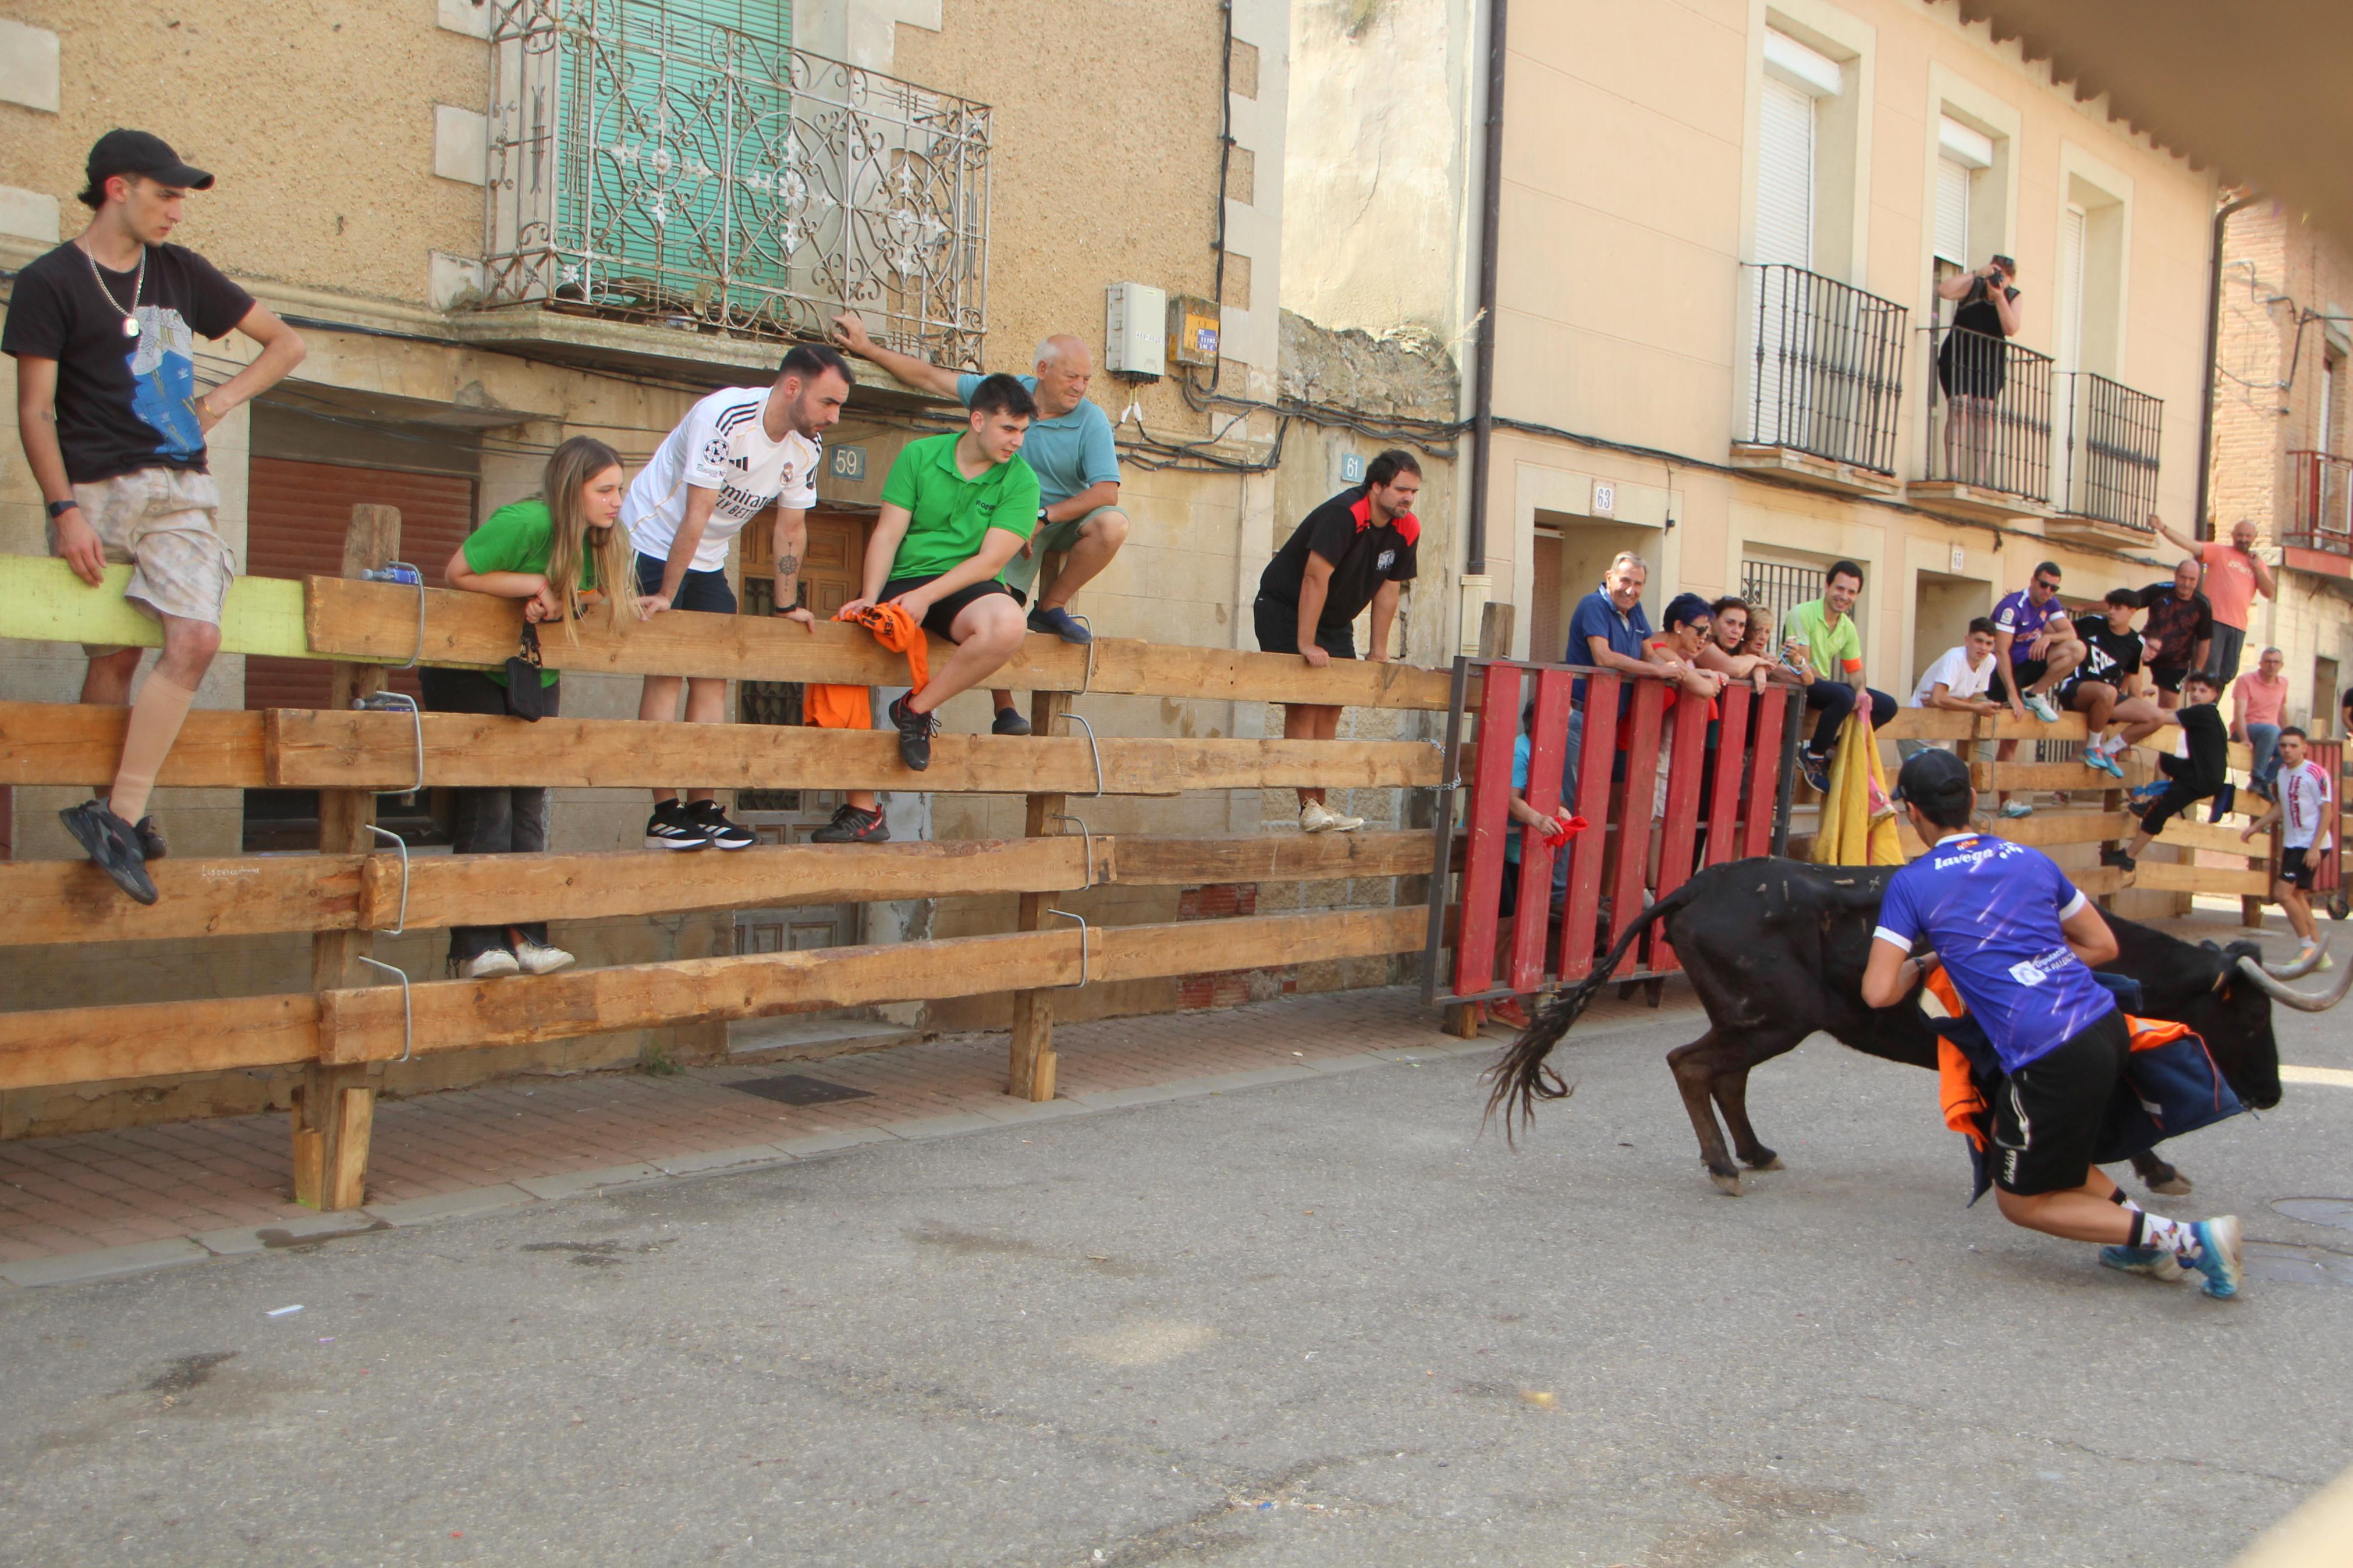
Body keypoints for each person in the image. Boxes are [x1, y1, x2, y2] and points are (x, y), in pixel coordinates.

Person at [3, 130, 307, 905]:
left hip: (179, 493)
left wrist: (217, 403)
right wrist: (63, 508)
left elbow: (283, 343)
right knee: (112, 659)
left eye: (180, 197)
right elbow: (35, 413)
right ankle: (112, 811)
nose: (177, 209)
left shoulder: (182, 273)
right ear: (117, 188)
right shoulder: (50, 282)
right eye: (164, 193)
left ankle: (120, 813)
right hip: (97, 491)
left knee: (197, 636)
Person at [1862, 747, 2242, 1297]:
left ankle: (2190, 1238)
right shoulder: (2029, 858)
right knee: (2016, 1137)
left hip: (2047, 1052)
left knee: (2020, 1201)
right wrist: (2036, 967)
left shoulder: (1913, 883)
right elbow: (2102, 944)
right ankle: (2140, 1241)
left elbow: (1877, 992)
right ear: (1971, 799)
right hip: (2102, 1024)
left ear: (1911, 813)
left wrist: (1929, 959)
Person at [831, 314, 1123, 733]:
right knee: (995, 598)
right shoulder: (976, 410)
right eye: (1072, 376)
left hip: (1050, 519)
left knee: (1013, 609)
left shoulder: (1079, 429)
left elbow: (1106, 492)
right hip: (983, 537)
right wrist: (867, 349)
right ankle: (1000, 708)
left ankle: (1049, 608)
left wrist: (1043, 516)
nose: (1080, 386)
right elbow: (930, 378)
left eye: (1087, 379)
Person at [420, 438, 633, 978]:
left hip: (530, 672)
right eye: (605, 490)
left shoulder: (600, 541)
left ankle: (525, 937)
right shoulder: (530, 523)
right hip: (468, 671)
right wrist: (534, 584)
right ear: (572, 488)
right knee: (488, 806)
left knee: (528, 808)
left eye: (620, 491)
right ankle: (474, 945)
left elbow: (595, 595)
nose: (616, 501)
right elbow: (457, 573)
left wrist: (563, 597)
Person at [626, 343, 851, 851]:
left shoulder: (806, 447)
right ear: (793, 387)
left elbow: (790, 528)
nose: (834, 417)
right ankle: (665, 812)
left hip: (706, 554)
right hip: (652, 539)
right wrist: (666, 592)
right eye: (828, 403)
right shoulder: (724, 416)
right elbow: (696, 511)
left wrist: (785, 604)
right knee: (666, 670)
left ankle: (702, 806)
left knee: (714, 674)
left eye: (839, 406)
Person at [836, 374, 1041, 794]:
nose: (1017, 441)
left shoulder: (1022, 481)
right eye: (1008, 429)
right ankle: (859, 805)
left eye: (1023, 431)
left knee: (1009, 625)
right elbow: (888, 534)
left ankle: (916, 708)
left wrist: (927, 597)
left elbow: (989, 562)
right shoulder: (918, 455)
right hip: (905, 578)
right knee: (844, 647)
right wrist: (869, 597)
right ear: (978, 420)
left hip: (967, 583)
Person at [1254, 449, 1421, 834]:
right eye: (1400, 489)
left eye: (1413, 491)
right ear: (1377, 486)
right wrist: (1305, 643)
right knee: (1305, 704)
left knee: (1330, 708)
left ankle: (1322, 806)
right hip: (1284, 607)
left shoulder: (1407, 528)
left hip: (1334, 618)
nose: (1408, 498)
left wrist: (1378, 650)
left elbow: (1388, 592)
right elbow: (1314, 579)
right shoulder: (1344, 515)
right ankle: (1306, 805)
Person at [1783, 561, 1896, 795]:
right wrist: (1848, 693)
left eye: (1851, 592)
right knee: (1844, 696)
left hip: (1822, 685)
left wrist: (1862, 692)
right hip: (1795, 681)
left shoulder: (1848, 627)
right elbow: (1804, 666)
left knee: (1886, 705)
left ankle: (1837, 748)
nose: (1844, 596)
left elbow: (1855, 670)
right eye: (1840, 589)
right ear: (1827, 586)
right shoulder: (1802, 613)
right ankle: (1813, 757)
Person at [2104, 671, 2231, 874]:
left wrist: (2131, 710)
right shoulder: (2208, 714)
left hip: (2199, 779)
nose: (2196, 694)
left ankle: (2129, 856)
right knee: (2166, 761)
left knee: (2159, 813)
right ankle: (2152, 802)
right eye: (2194, 689)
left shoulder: (2202, 713)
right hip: (2202, 775)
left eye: (2203, 691)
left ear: (2214, 694)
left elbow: (2163, 717)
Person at [2240, 728, 2334, 973]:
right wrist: (2257, 826)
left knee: (2282, 893)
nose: (2287, 750)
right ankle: (2319, 954)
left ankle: (2306, 946)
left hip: (2310, 844)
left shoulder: (2315, 773)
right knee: (2298, 896)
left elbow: (2327, 812)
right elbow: (2282, 806)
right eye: (2283, 746)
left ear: (2304, 748)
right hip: (2293, 844)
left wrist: (2314, 848)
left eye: (2293, 746)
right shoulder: (2282, 773)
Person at [2148, 513, 2274, 684]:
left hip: (2238, 626)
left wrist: (2257, 568)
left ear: (2254, 538)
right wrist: (2163, 528)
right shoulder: (2219, 552)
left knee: (2228, 673)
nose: (2243, 539)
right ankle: (2202, 706)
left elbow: (2269, 593)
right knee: (2210, 669)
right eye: (2240, 535)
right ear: (2233, 536)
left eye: (2248, 536)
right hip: (2214, 620)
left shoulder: (2258, 564)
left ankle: (2211, 707)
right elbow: (2190, 545)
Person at [1934, 256, 2022, 487]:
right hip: (1960, 354)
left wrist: (2000, 297)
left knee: (1986, 414)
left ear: (2010, 279)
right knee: (1958, 408)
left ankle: (1981, 477)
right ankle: (1953, 471)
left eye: (2002, 276)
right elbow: (1943, 291)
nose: (1996, 279)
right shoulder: (1973, 286)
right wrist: (1976, 274)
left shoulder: (2013, 296)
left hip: (1990, 361)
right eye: (1995, 273)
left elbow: (2011, 328)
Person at [2068, 588, 2169, 779]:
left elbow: (2129, 676)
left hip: (2107, 698)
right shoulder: (2091, 623)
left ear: (2132, 611)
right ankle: (2092, 749)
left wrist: (2125, 699)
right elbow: (2061, 631)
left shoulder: (2137, 642)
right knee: (2108, 692)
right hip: (2077, 689)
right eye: (2111, 607)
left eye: (2118, 608)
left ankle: (2107, 750)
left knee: (2158, 717)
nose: (2112, 612)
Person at [1900, 617, 2003, 762]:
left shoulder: (1990, 661)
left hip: (1942, 738)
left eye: (1989, 643)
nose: (1983, 648)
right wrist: (1975, 708)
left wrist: (1945, 702)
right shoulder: (1955, 657)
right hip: (1916, 732)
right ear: (1967, 640)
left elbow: (1966, 698)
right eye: (1978, 641)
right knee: (1922, 783)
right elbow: (1939, 699)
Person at [2135, 559, 2214, 712]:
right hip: (2146, 651)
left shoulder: (2202, 604)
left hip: (2176, 661)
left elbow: (2204, 641)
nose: (2187, 583)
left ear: (2198, 580)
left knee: (2169, 709)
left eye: (2192, 579)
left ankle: (2164, 735)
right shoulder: (2158, 591)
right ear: (2176, 575)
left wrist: (2197, 672)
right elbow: (2128, 604)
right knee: (2130, 694)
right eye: (2183, 578)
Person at [2230, 645, 2290, 801]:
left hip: (2271, 733)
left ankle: (2264, 781)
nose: (2272, 665)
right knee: (2271, 731)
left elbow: (2281, 711)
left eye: (2276, 662)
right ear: (2261, 664)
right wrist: (2244, 738)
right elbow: (2239, 714)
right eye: (2268, 662)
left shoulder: (2283, 683)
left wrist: (2290, 734)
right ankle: (2257, 778)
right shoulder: (2245, 681)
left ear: (2281, 665)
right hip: (2247, 729)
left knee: (2290, 751)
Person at [1696, 596, 1773, 695]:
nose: (1736, 631)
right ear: (1714, 620)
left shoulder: (1728, 647)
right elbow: (1733, 668)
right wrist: (1756, 660)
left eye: (1742, 625)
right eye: (1730, 623)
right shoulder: (1701, 641)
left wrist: (1758, 667)